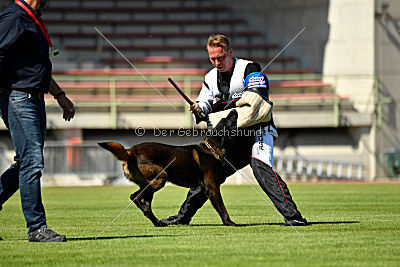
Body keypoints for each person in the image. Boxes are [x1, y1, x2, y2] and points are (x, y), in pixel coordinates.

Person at [160, 34, 308, 226]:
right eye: (212, 58)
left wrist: (218, 108)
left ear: (230, 53)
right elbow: (205, 103)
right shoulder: (210, 78)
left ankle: (294, 217)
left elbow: (255, 103)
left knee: (260, 168)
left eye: (220, 57)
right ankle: (182, 218)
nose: (217, 63)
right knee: (209, 173)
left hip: (257, 132)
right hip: (233, 140)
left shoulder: (249, 69)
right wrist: (200, 108)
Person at [0, 0, 75, 242]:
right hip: (19, 97)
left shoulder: (31, 17)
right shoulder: (14, 16)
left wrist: (59, 94)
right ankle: (37, 228)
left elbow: (37, 67)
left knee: (25, 162)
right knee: (32, 160)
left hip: (33, 97)